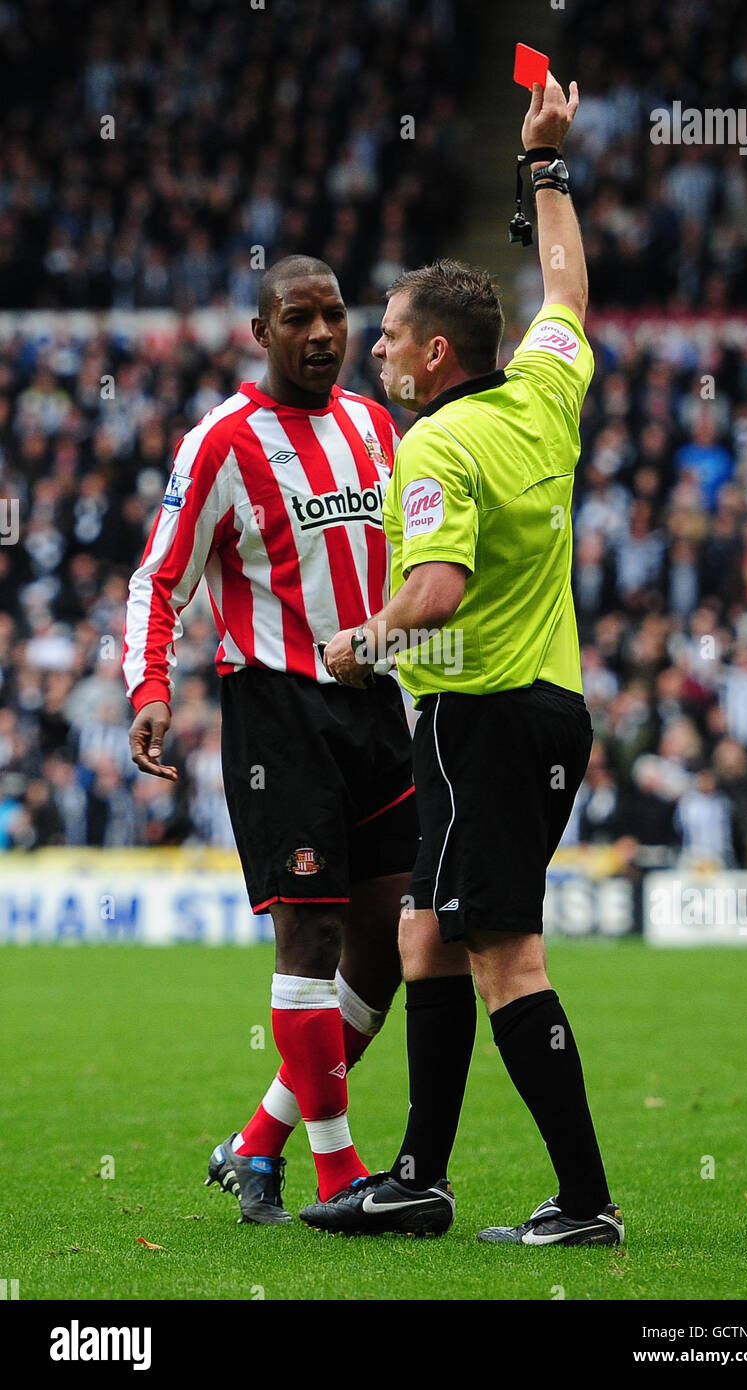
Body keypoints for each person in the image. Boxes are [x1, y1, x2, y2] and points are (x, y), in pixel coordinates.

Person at [305, 74, 623, 1246]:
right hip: (541, 707)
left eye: (384, 335)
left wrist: (359, 643)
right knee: (424, 935)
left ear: (433, 354)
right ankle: (418, 1179)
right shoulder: (541, 392)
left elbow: (434, 592)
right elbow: (570, 289)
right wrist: (543, 168)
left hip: (476, 717)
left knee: (505, 956)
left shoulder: (434, 441)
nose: (370, 349)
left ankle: (584, 1202)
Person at [123, 255, 419, 1223]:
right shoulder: (220, 443)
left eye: (335, 314)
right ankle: (337, 1175)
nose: (324, 332)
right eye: (299, 316)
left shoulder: (375, 424)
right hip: (278, 715)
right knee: (314, 933)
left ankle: (257, 1141)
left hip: (375, 705)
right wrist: (151, 686)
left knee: (391, 942)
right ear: (262, 332)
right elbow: (157, 579)